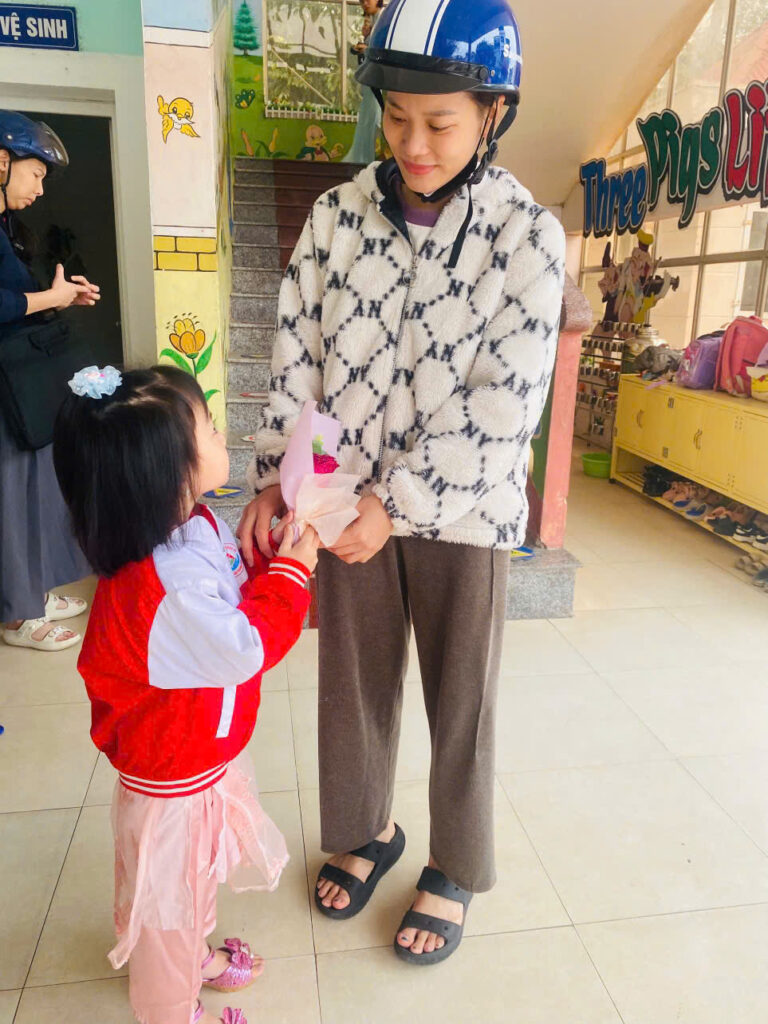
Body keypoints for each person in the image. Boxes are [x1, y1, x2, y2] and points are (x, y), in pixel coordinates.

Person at [239, 0, 565, 965]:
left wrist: (402, 503)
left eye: (440, 123)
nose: (413, 145)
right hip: (340, 504)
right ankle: (366, 830)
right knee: (352, 685)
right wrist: (277, 480)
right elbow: (296, 358)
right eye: (396, 118)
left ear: (493, 112)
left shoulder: (527, 236)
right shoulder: (335, 217)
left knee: (462, 702)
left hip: (463, 512)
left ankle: (455, 865)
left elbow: (506, 403)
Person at [53, 364, 320, 1024]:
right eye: (208, 426)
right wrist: (293, 574)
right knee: (168, 910)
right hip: (171, 785)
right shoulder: (162, 588)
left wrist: (264, 561)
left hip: (192, 760)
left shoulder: (192, 526)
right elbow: (245, 645)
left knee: (189, 888)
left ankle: (190, 957)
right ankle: (171, 1009)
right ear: (167, 471)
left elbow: (226, 596)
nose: (221, 431)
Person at [0, 110, 101, 651]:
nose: (40, 188)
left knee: (31, 490)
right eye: (35, 173)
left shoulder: (6, 228)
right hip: (5, 396)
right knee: (10, 498)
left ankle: (31, 592)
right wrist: (49, 298)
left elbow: (16, 303)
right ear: (2, 161)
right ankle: (19, 615)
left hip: (18, 390)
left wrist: (62, 298)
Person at [344, 0, 385, 164]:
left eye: (369, 0)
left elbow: (385, 52)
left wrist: (366, 48)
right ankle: (364, 157)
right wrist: (365, 40)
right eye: (362, 1)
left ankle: (368, 158)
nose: (365, 3)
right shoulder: (373, 21)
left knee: (374, 118)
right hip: (370, 81)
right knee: (367, 119)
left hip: (379, 81)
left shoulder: (383, 20)